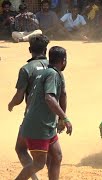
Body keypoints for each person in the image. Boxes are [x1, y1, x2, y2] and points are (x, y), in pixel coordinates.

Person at [15, 46, 72, 180]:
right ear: (63, 60)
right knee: (39, 163)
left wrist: (59, 120)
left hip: (46, 124)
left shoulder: (49, 72)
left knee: (56, 156)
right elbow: (49, 98)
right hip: (38, 126)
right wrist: (65, 118)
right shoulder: (52, 74)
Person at [8, 34, 51, 180]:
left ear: (29, 49)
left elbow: (19, 97)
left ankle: (33, 178)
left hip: (32, 117)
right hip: (52, 116)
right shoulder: (54, 67)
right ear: (46, 50)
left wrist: (11, 104)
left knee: (21, 149)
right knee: (52, 154)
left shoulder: (26, 69)